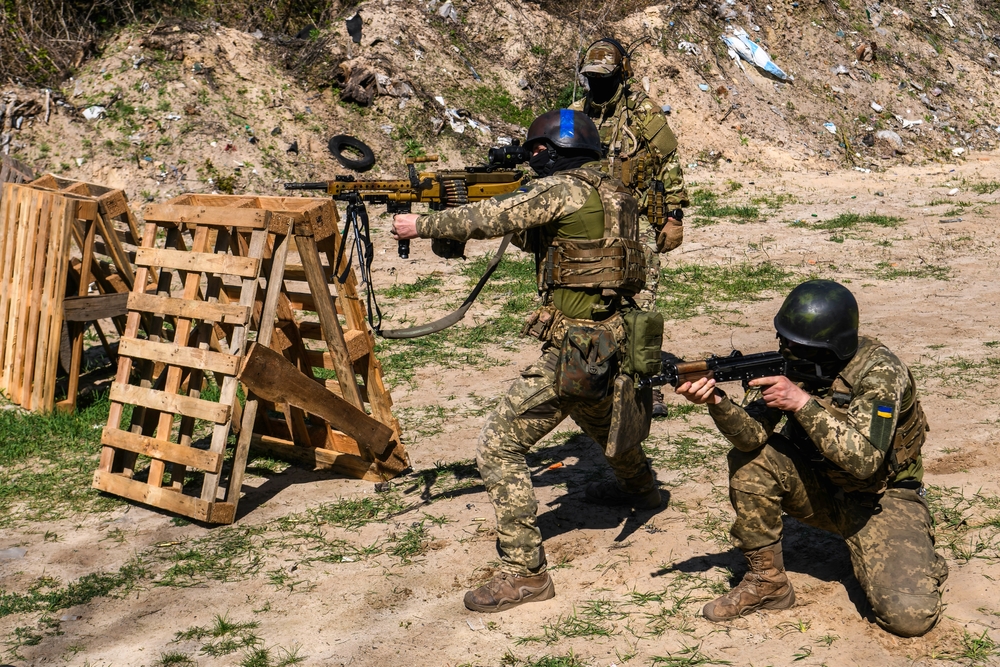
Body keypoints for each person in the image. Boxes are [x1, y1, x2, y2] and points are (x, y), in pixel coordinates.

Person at [392, 109, 662, 613]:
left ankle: (525, 573)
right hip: (614, 340)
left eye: (533, 151)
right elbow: (555, 244)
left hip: (578, 349)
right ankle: (643, 488)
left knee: (498, 445)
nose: (530, 159)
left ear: (548, 152)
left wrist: (419, 223)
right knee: (598, 419)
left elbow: (487, 218)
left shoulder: (560, 189)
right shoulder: (612, 192)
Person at [674, 279, 947, 637]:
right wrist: (716, 402)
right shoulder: (792, 363)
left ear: (830, 347)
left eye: (799, 346)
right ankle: (768, 583)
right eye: (784, 340)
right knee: (753, 460)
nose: (788, 351)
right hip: (822, 487)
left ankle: (917, 555)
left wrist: (801, 402)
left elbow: (865, 461)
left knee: (910, 619)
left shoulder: (880, 373)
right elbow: (752, 437)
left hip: (884, 498)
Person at [572, 37, 690, 416]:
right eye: (591, 77)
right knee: (588, 298)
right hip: (590, 218)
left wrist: (674, 215)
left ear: (622, 74)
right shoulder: (575, 114)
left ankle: (647, 384)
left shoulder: (642, 113)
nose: (597, 85)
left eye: (604, 77)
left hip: (634, 217)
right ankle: (593, 376)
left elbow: (667, 161)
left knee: (640, 299)